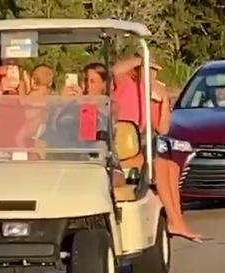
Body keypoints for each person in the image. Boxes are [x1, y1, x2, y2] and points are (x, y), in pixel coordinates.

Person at [64, 57, 201, 242]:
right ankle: (175, 220)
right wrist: (142, 58)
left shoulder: (146, 96)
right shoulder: (119, 89)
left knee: (171, 166)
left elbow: (162, 128)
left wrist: (164, 102)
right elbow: (115, 71)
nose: (151, 75)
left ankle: (176, 219)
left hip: (129, 148)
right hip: (111, 152)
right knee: (159, 166)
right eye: (148, 71)